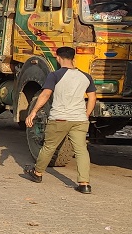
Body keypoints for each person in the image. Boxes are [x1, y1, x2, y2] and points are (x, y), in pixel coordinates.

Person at [23, 46, 98, 194]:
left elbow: (45, 95)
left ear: (58, 58)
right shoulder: (86, 76)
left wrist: (33, 112)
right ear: (73, 59)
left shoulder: (55, 75)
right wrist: (86, 114)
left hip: (60, 118)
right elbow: (92, 97)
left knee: (49, 147)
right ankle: (84, 184)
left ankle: (37, 174)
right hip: (79, 120)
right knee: (81, 150)